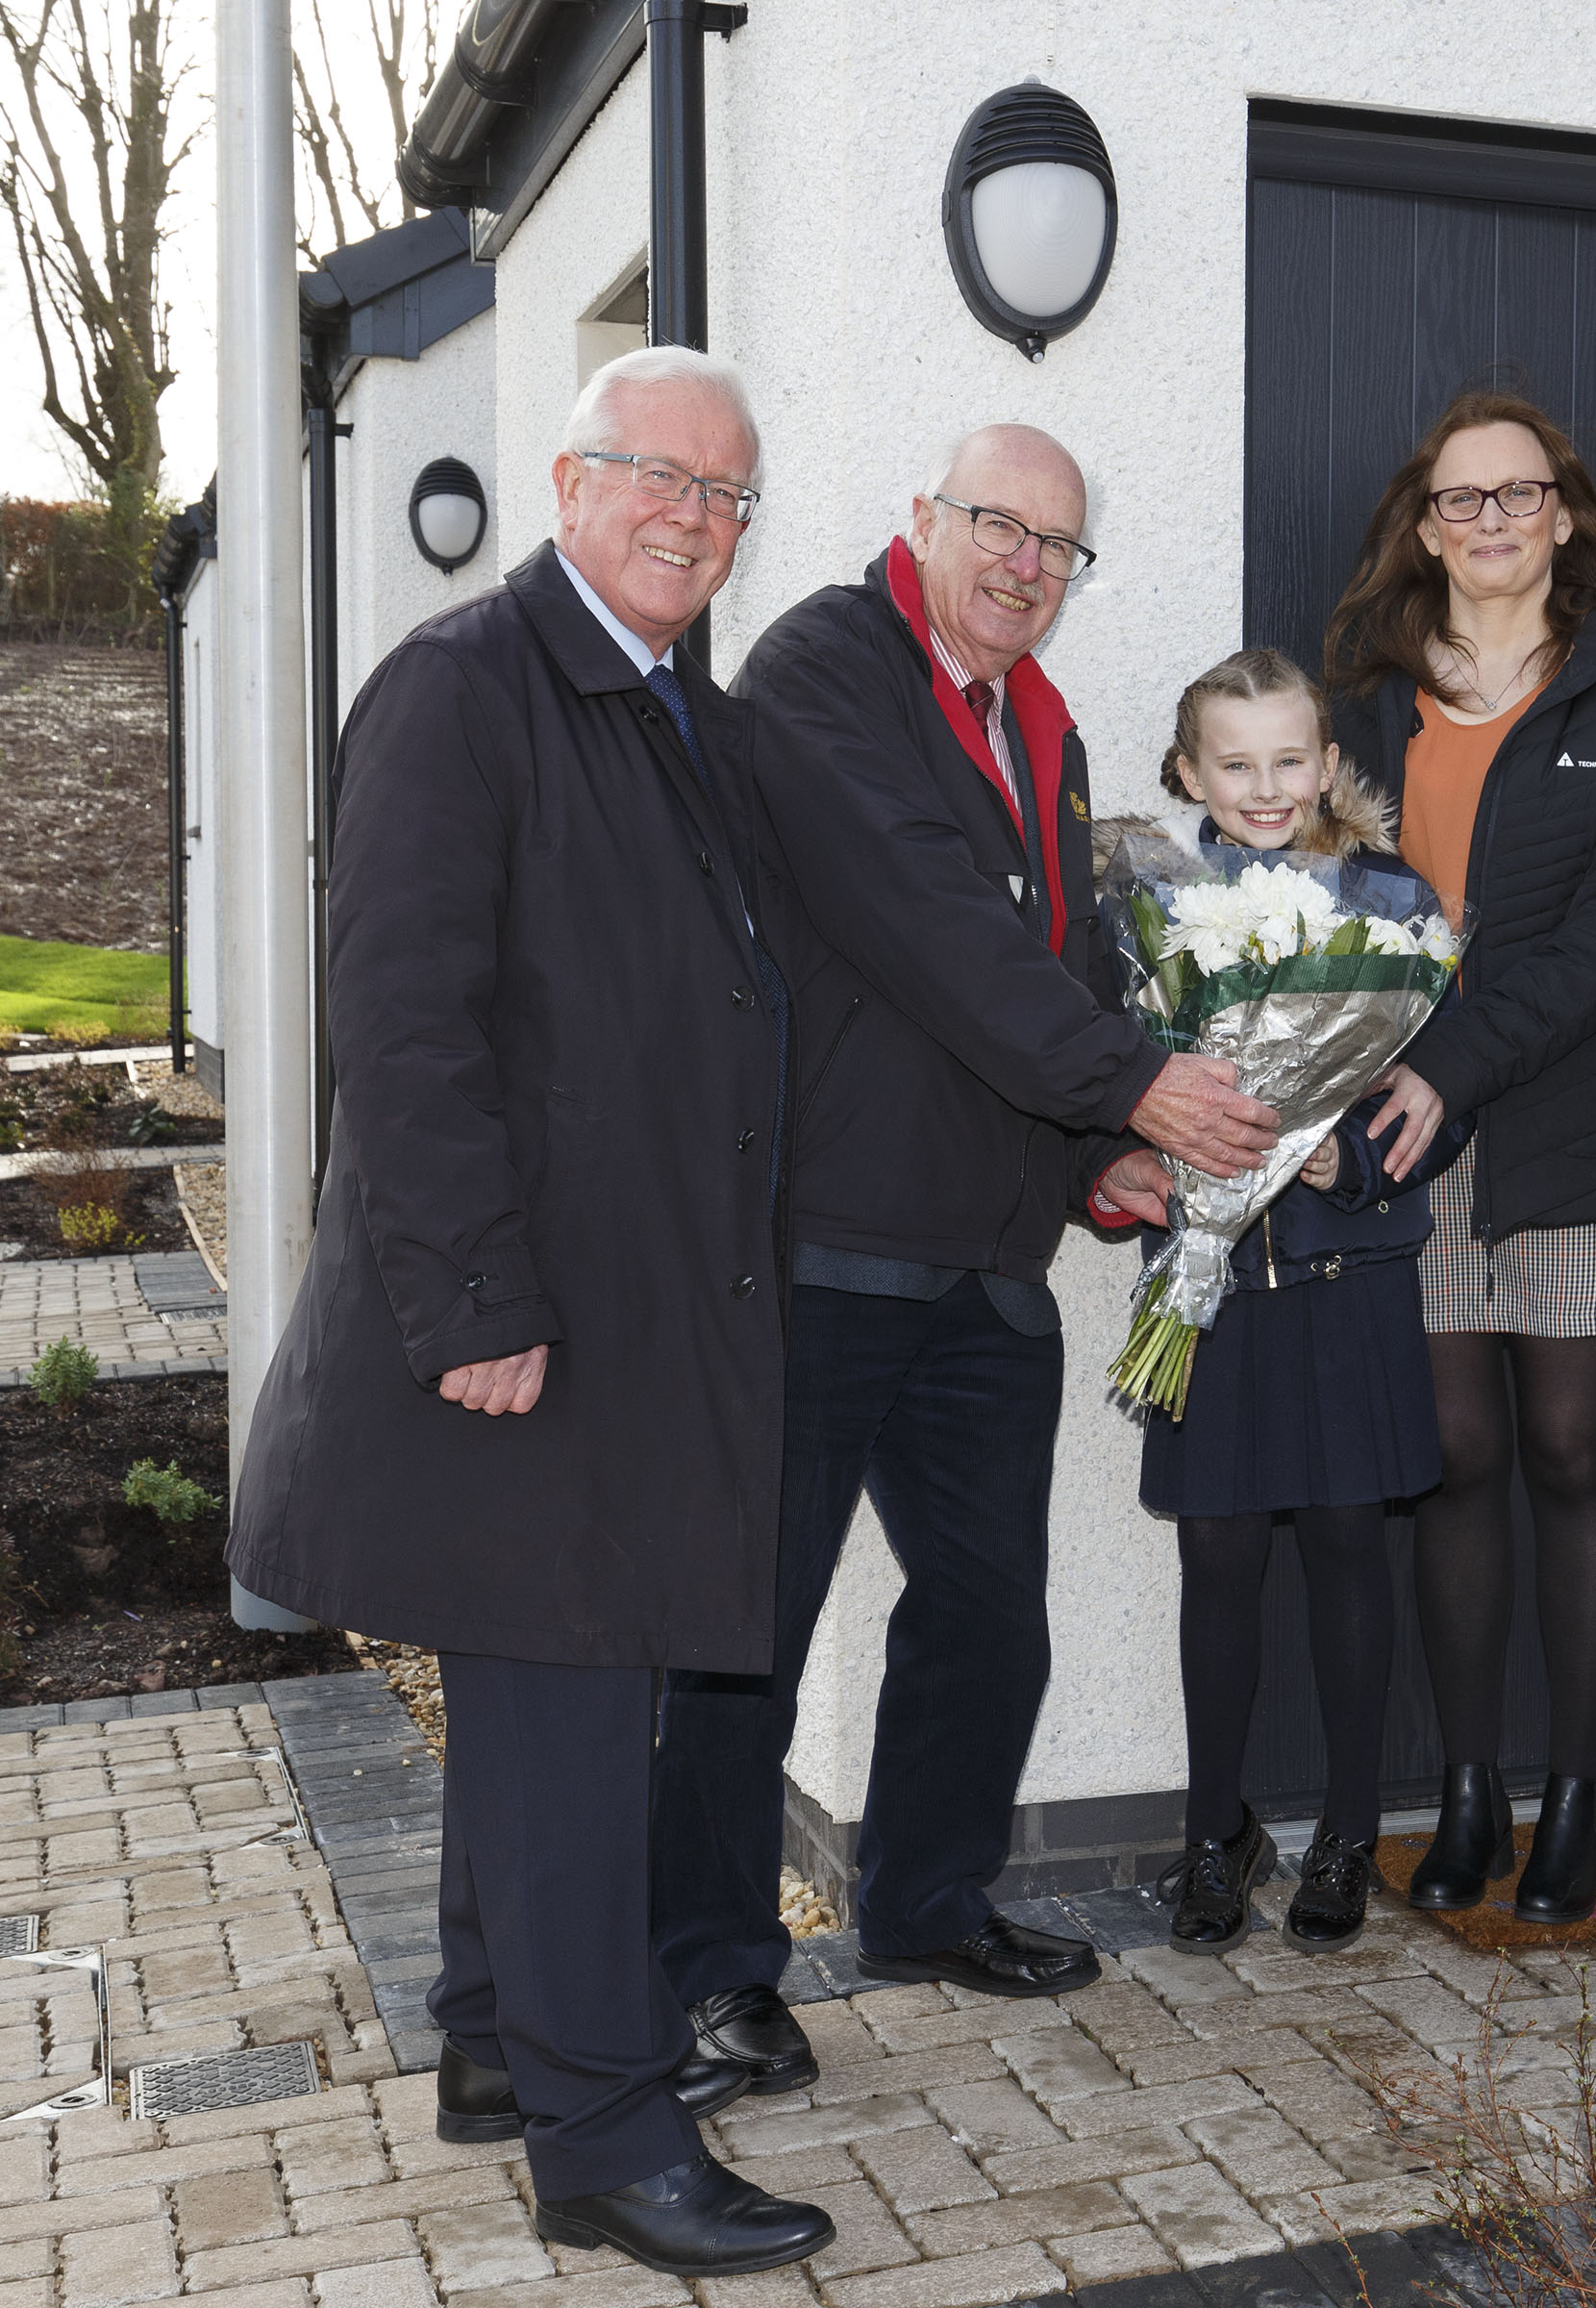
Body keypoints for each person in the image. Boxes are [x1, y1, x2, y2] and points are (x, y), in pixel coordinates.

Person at [224, 347, 831, 2278]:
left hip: (623, 1309)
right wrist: (476, 1296)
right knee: (573, 1720)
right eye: (657, 476)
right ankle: (607, 2140)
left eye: (727, 497)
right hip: (515, 1319)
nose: (692, 519)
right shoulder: (463, 689)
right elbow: (401, 1028)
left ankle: (499, 2046)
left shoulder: (675, 711)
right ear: (570, 482)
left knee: (537, 1690)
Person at [649, 425, 1280, 2024]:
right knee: (747, 1637)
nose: (1026, 566)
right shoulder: (825, 669)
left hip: (985, 1260)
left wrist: (1094, 1159)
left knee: (990, 1617)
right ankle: (708, 1968)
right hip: (824, 1249)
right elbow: (927, 929)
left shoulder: (1038, 728)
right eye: (998, 526)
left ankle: (927, 1903)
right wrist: (1139, 1084)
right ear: (920, 517)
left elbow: (1047, 968)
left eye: (1059, 548)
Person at [1326, 389, 1596, 1925]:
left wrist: (1454, 1061)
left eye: (1518, 495)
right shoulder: (1367, 697)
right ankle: (1470, 1785)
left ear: (1564, 513)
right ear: (1427, 526)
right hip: (1409, 1131)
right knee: (1454, 1463)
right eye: (1460, 501)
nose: (1490, 523)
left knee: (1566, 1455)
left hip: (1568, 1125)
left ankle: (1577, 1793)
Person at [1118, 647, 1474, 1959]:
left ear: (1328, 766)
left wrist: (1355, 1157)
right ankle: (1216, 1831)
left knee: (1343, 1549)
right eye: (1235, 764)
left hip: (1345, 1282)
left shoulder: (1389, 905)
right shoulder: (1154, 910)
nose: (1265, 788)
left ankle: (1344, 1833)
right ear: (1189, 773)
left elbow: (1430, 1101)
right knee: (1215, 1557)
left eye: (1289, 760)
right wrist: (1151, 1154)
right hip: (1210, 1290)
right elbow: (1116, 1073)